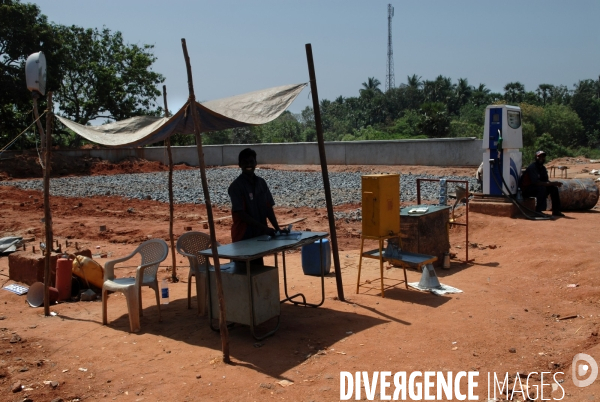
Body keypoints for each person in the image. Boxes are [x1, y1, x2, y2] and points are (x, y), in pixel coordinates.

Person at [228, 148, 287, 244]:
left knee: (258, 259)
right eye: (245, 162)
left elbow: (269, 209)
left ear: (256, 163)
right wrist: (265, 229)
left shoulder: (261, 183)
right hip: (243, 236)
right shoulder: (236, 186)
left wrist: (277, 229)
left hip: (260, 235)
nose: (248, 165)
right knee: (246, 259)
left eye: (251, 161)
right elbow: (241, 214)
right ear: (239, 164)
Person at [519, 150, 565, 217]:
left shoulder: (543, 168)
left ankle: (556, 210)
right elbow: (536, 183)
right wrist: (553, 183)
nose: (541, 158)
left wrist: (553, 184)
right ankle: (538, 211)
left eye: (543, 157)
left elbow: (545, 181)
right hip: (526, 189)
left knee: (553, 188)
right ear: (536, 157)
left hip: (536, 188)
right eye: (539, 157)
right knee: (542, 188)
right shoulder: (532, 167)